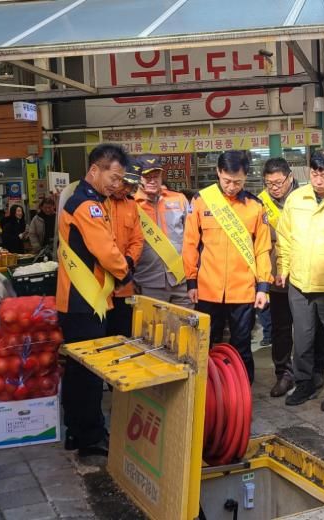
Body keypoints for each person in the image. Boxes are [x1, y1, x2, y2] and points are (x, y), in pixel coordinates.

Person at [56, 143, 134, 458]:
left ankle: (78, 431)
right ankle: (90, 436)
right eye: (114, 178)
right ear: (94, 170)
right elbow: (106, 250)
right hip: (84, 302)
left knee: (78, 371)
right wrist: (126, 273)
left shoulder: (81, 200)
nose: (117, 185)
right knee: (87, 374)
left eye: (121, 179)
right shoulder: (88, 206)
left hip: (78, 301)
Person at [183, 150, 271, 383]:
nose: (232, 187)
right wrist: (191, 281)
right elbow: (190, 244)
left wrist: (263, 287)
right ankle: (206, 390)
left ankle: (241, 390)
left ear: (246, 177)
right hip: (207, 289)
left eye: (238, 182)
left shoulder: (255, 206)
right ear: (218, 173)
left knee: (242, 345)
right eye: (227, 181)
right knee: (205, 343)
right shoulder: (201, 201)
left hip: (243, 290)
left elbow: (262, 249)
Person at [276, 150, 324, 412]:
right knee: (302, 337)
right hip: (299, 282)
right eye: (315, 173)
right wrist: (283, 267)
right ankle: (305, 383)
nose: (319, 180)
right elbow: (284, 236)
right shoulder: (296, 198)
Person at [259, 157, 324, 397]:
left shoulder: (308, 197)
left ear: (290, 177)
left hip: (307, 272)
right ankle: (284, 374)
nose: (274, 188)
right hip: (277, 275)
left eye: (278, 182)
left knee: (313, 326)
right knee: (281, 327)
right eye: (269, 183)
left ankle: (316, 371)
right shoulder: (261, 202)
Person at [133, 155, 192, 308]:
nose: (152, 180)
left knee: (185, 322)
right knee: (152, 323)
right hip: (147, 282)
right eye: (147, 177)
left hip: (181, 281)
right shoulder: (131, 205)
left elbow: (192, 238)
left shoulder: (179, 199)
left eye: (156, 176)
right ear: (137, 177)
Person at [105, 160, 144, 337]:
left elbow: (137, 240)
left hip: (123, 283)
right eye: (124, 183)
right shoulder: (97, 202)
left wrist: (129, 261)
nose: (127, 189)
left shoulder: (132, 205)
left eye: (132, 186)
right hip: (101, 283)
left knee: (124, 333)